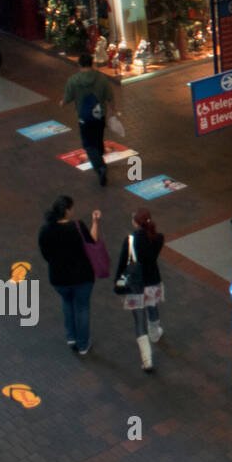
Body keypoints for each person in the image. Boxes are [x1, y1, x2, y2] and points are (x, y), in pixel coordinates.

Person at [37, 195, 99, 355]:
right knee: (82, 308)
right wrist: (95, 222)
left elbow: (45, 254)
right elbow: (93, 241)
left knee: (67, 302)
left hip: (59, 278)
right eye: (72, 208)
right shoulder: (77, 227)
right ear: (66, 211)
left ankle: (71, 337)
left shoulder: (45, 230)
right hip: (82, 276)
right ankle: (83, 345)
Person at [116, 208, 165, 374]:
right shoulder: (158, 239)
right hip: (152, 281)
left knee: (138, 320)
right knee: (153, 307)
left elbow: (123, 264)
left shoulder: (130, 240)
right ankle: (155, 333)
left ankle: (147, 359)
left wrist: (117, 283)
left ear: (136, 223)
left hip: (136, 285)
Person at [60, 53, 117, 186]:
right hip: (99, 116)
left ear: (79, 65)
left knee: (88, 145)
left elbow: (67, 98)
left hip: (84, 118)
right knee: (97, 139)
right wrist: (113, 111)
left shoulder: (73, 80)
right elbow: (110, 96)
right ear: (92, 63)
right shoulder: (101, 78)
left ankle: (100, 167)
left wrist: (62, 103)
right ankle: (100, 156)